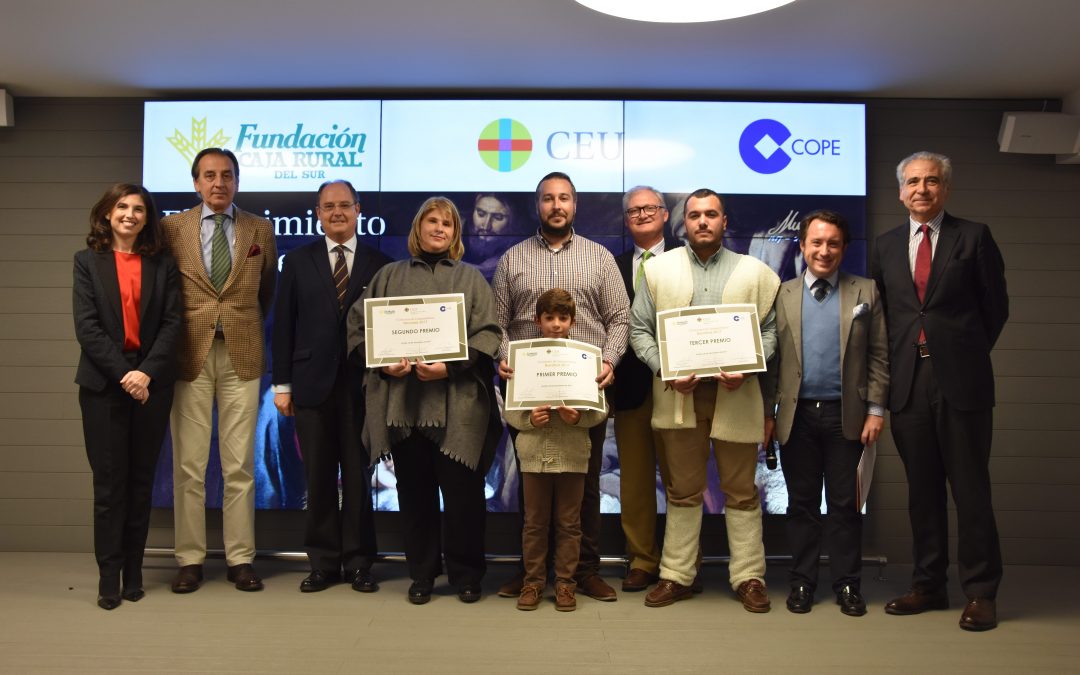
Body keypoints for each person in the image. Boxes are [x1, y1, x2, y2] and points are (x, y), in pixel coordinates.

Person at [871, 151, 1009, 631]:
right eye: (913, 182)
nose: (922, 189)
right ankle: (928, 585)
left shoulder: (974, 237)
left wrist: (961, 354)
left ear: (945, 189)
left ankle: (981, 593)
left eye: (931, 181)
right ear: (900, 192)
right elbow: (886, 316)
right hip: (908, 384)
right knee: (921, 492)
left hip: (962, 383)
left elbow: (996, 310)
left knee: (971, 491)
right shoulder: (885, 246)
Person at [629, 188, 779, 611]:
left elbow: (770, 333)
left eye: (711, 214)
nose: (702, 222)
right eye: (694, 215)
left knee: (741, 490)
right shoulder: (659, 271)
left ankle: (749, 576)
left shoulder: (755, 273)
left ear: (724, 221)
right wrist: (666, 368)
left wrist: (749, 365)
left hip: (737, 395)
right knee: (683, 490)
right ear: (684, 222)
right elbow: (639, 331)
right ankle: (677, 575)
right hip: (680, 396)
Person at [347, 196, 502, 605]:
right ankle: (422, 574)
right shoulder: (387, 276)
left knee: (464, 498)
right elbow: (359, 329)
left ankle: (467, 573)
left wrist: (448, 368)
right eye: (431, 221)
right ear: (417, 228)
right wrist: (385, 367)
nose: (439, 229)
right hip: (404, 408)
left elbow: (488, 336)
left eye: (447, 224)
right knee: (414, 496)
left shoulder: (471, 279)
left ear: (455, 234)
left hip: (458, 409)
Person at [493, 171, 630, 602]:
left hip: (581, 391)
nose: (557, 205)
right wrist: (502, 356)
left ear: (575, 205)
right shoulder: (513, 259)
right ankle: (530, 573)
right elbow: (496, 322)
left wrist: (609, 359)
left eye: (564, 198)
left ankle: (583, 572)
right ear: (538, 205)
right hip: (529, 390)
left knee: (584, 488)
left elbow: (620, 319)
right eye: (549, 198)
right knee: (527, 487)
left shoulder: (600, 258)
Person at [162, 147, 277, 593]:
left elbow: (266, 291)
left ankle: (240, 559)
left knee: (239, 465)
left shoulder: (259, 229)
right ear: (195, 183)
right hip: (188, 354)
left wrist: (238, 322)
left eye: (226, 175)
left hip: (242, 355)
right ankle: (189, 559)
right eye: (209, 175)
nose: (218, 183)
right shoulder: (172, 228)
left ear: (237, 181)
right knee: (189, 465)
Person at [763, 209, 889, 616]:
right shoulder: (782, 294)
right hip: (796, 418)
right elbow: (771, 361)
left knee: (845, 506)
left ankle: (848, 585)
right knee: (800, 506)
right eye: (816, 242)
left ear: (844, 248)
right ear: (802, 246)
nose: (824, 250)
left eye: (833, 243)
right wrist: (768, 415)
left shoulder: (865, 292)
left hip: (846, 417)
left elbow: (879, 357)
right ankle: (801, 582)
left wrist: (875, 410)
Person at [272, 180, 391, 593]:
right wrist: (281, 385)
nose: (336, 212)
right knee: (318, 476)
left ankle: (360, 563)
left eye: (344, 205)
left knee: (359, 478)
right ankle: (322, 563)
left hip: (363, 387)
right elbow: (283, 326)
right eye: (328, 206)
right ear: (318, 213)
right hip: (309, 386)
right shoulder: (298, 262)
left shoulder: (381, 263)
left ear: (359, 210)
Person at [74, 183, 181, 610]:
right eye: (122, 207)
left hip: (151, 387)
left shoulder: (163, 264)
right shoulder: (87, 263)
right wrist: (126, 375)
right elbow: (87, 328)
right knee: (109, 487)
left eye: (139, 209)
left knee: (140, 484)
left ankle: (134, 572)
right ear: (106, 213)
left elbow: (173, 325)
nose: (130, 215)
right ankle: (108, 577)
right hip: (104, 387)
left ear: (147, 218)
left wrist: (145, 374)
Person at [504, 289, 608, 612]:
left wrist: (578, 418)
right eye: (549, 318)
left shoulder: (585, 356)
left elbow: (599, 410)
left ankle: (565, 584)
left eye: (563, 318)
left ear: (573, 322)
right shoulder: (523, 358)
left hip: (573, 455)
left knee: (570, 524)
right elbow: (510, 410)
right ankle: (533, 583)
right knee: (534, 524)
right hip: (534, 455)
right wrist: (529, 419)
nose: (556, 324)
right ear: (537, 321)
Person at [612, 186, 683, 592]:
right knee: (635, 482)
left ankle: (680, 561)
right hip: (631, 390)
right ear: (626, 220)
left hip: (680, 386)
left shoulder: (686, 260)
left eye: (649, 208)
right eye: (634, 210)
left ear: (664, 213)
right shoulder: (613, 265)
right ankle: (641, 559)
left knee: (682, 479)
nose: (641, 214)